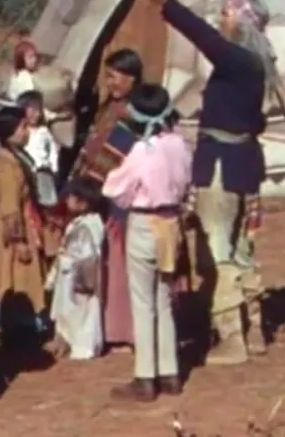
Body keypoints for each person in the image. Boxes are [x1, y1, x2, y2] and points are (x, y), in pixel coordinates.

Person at [139, 0, 273, 366]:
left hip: (222, 167)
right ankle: (254, 329)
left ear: (244, 23)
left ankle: (232, 339)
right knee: (241, 249)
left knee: (218, 253)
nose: (221, 20)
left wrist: (168, 3)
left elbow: (203, 37)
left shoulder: (239, 61)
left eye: (227, 15)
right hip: (243, 165)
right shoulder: (256, 65)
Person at [101, 83, 193, 402]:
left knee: (143, 303)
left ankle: (145, 377)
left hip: (144, 223)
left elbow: (114, 188)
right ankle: (170, 373)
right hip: (171, 223)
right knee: (165, 299)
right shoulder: (180, 144)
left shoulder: (142, 150)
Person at [66, 48, 144, 350]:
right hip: (106, 196)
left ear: (132, 78)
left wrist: (85, 189)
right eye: (108, 77)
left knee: (126, 264)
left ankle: (129, 329)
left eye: (115, 77)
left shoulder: (133, 114)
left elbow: (112, 157)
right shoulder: (110, 109)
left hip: (124, 198)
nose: (110, 83)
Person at [0, 104, 49, 347]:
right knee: (15, 278)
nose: (27, 132)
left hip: (20, 224)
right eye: (22, 127)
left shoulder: (13, 156)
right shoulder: (7, 163)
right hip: (13, 233)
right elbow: (10, 205)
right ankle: (17, 329)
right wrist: (18, 240)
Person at [46, 184, 104, 362]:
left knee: (83, 312)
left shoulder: (91, 224)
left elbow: (90, 255)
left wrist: (83, 275)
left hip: (80, 274)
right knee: (65, 310)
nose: (67, 200)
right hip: (67, 273)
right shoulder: (75, 223)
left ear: (83, 201)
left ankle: (84, 346)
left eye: (72, 197)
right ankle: (64, 341)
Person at [15, 90, 59, 207]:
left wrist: (53, 168)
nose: (37, 114)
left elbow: (52, 151)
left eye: (39, 111)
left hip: (41, 173)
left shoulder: (43, 132)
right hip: (23, 171)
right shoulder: (18, 132)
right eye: (33, 110)